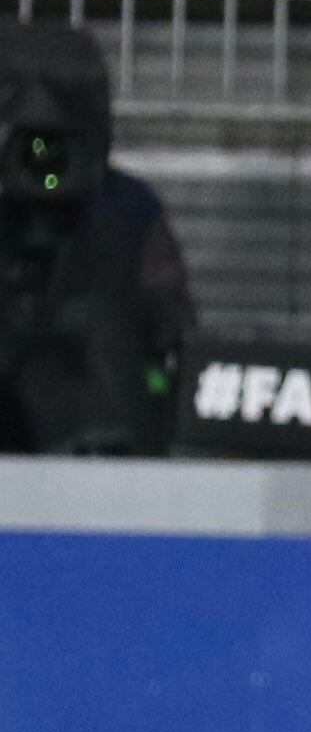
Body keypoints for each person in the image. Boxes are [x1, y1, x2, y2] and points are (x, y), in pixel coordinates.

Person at [0, 23, 191, 456]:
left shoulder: (127, 209)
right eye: (28, 146)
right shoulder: (132, 206)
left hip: (107, 451)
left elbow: (178, 345)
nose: (44, 161)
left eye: (56, 146)